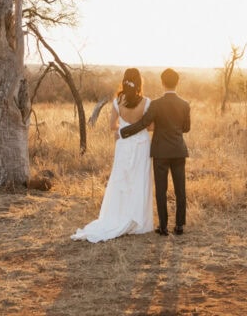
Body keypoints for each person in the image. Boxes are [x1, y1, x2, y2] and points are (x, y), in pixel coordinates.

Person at [71, 68, 154, 243]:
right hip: (141, 146)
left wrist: (122, 129)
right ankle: (139, 221)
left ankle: (118, 215)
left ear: (124, 81)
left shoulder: (117, 102)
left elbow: (112, 126)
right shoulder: (147, 103)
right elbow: (151, 127)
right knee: (140, 180)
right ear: (139, 82)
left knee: (121, 180)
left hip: (123, 145)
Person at [120, 68, 190, 236]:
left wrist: (125, 132)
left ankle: (164, 226)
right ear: (177, 82)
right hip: (179, 150)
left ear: (162, 82)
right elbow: (186, 128)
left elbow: (144, 123)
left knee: (161, 190)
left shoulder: (156, 104)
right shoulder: (185, 104)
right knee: (181, 189)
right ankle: (179, 226)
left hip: (160, 152)